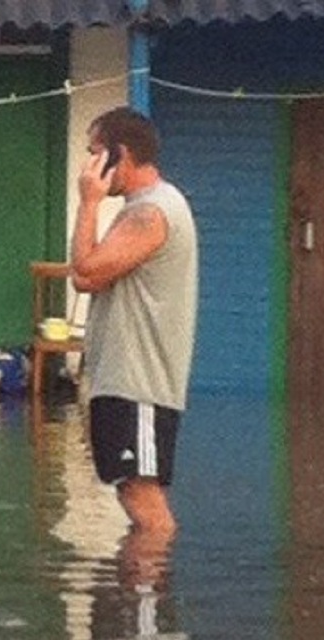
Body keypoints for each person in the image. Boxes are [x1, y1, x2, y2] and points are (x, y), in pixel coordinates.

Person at [70, 106, 198, 536]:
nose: (88, 166)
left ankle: (152, 579)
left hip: (139, 382)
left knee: (143, 497)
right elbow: (91, 277)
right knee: (130, 490)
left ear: (120, 154)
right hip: (120, 380)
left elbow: (85, 270)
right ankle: (137, 578)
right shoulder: (137, 210)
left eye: (95, 153)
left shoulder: (152, 212)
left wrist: (88, 202)